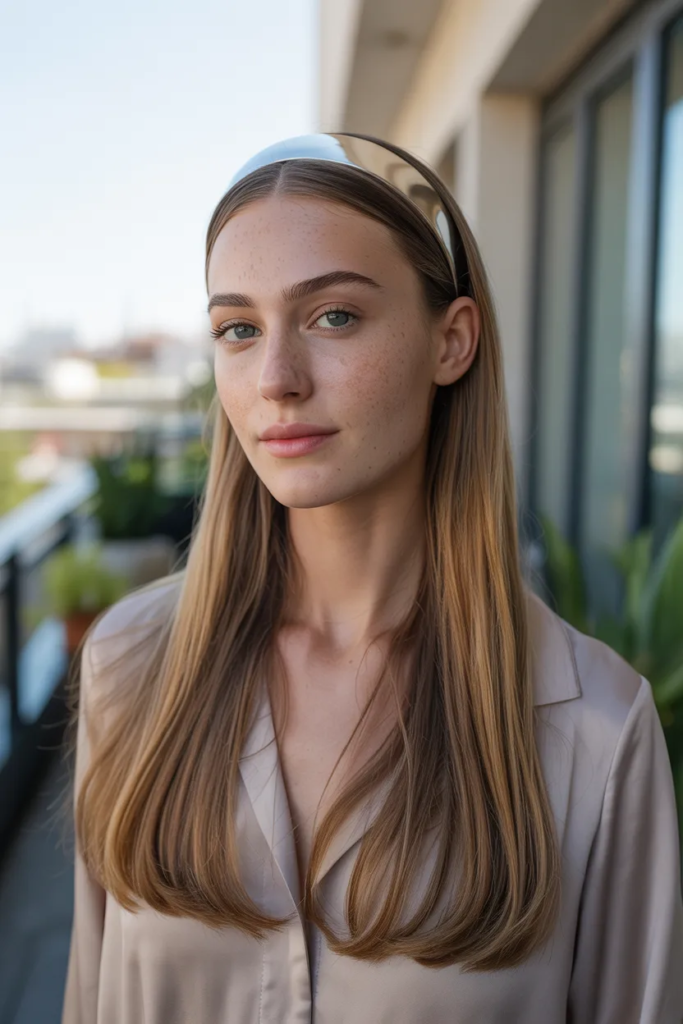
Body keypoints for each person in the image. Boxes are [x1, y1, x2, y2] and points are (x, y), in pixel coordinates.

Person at [61, 133, 683, 1024]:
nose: (275, 379)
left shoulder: (593, 730)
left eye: (333, 317)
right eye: (238, 329)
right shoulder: (128, 666)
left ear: (451, 340)